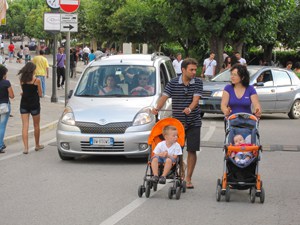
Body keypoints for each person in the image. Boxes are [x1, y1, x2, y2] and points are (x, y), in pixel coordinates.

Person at [152, 58, 203, 189]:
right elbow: (164, 97)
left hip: (193, 121)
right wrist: (156, 108)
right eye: (191, 70)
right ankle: (180, 173)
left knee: (192, 150)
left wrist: (190, 108)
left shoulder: (197, 82)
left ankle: (188, 178)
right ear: (183, 70)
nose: (193, 72)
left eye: (195, 69)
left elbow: (196, 100)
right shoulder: (173, 83)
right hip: (178, 123)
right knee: (177, 149)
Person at [18, 62, 44, 154]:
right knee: (36, 125)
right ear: (33, 70)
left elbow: (24, 91)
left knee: (25, 126)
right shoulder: (36, 80)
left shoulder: (22, 79)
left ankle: (26, 148)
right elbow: (40, 94)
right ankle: (37, 145)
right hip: (34, 104)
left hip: (24, 104)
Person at [0, 65, 15, 153]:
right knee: (1, 127)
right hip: (4, 106)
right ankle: (0, 145)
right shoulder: (6, 82)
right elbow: (12, 96)